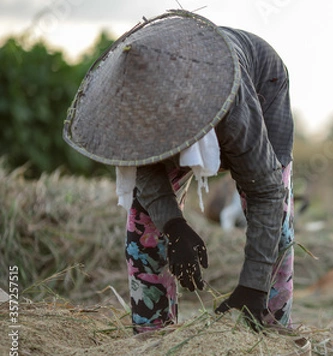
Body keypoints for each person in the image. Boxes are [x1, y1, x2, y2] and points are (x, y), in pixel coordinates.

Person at [63, 10, 295, 333]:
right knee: (143, 222)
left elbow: (266, 190)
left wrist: (253, 285)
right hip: (173, 96)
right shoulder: (129, 107)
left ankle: (268, 323)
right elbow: (143, 173)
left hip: (262, 86)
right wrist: (174, 226)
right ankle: (154, 330)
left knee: (277, 221)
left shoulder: (233, 104)